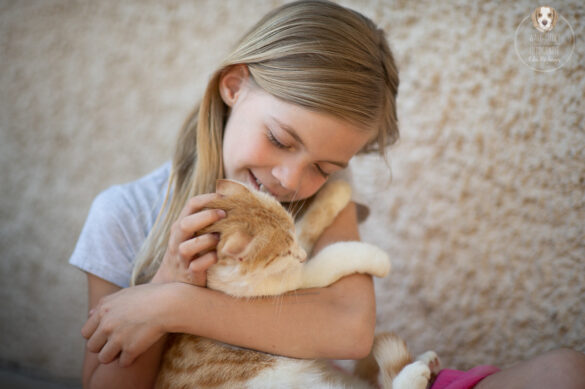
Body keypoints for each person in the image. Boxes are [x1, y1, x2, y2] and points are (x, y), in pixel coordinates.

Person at [71, 1, 585, 388]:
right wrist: (167, 276)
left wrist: (171, 305)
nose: (291, 181)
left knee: (566, 371)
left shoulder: (321, 197)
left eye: (323, 165)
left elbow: (351, 330)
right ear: (234, 86)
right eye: (279, 139)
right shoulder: (126, 214)